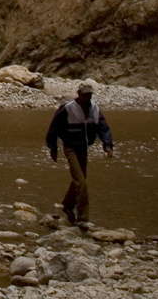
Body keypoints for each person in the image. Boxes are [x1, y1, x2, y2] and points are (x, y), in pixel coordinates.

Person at [46, 78, 113, 227]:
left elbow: (104, 128)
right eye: (85, 95)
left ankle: (67, 206)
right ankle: (83, 219)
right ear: (79, 94)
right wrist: (53, 148)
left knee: (80, 179)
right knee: (81, 181)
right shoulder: (68, 108)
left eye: (90, 95)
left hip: (83, 148)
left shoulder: (95, 109)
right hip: (70, 147)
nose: (87, 98)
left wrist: (107, 145)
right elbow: (54, 127)